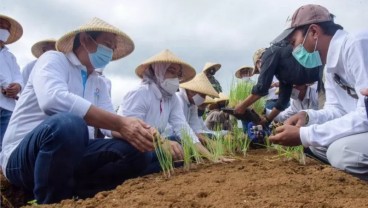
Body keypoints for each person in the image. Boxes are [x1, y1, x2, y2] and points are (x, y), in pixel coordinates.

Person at [1, 17, 155, 204]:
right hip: (24, 157)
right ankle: (51, 201)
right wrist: (121, 124)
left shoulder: (98, 82)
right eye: (107, 44)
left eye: (112, 48)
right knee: (70, 124)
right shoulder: (53, 59)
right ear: (85, 40)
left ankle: (81, 195)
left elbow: (111, 124)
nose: (110, 51)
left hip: (71, 156)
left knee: (137, 150)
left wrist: (138, 129)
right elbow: (52, 99)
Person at [269, 4, 368, 180]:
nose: (294, 51)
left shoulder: (357, 45)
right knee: (318, 146)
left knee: (342, 153)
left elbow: (365, 114)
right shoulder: (329, 68)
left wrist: (304, 134)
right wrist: (307, 117)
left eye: (294, 43)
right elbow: (337, 110)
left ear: (314, 32)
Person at [118, 50, 231, 175]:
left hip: (154, 146)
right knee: (146, 156)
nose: (175, 79)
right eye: (171, 71)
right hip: (132, 145)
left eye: (178, 75)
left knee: (180, 153)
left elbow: (183, 128)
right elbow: (133, 130)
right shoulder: (140, 93)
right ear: (157, 71)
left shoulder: (172, 99)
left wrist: (211, 156)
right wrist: (162, 142)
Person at [234, 42, 320, 126]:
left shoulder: (268, 55)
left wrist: (242, 106)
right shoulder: (285, 76)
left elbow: (262, 87)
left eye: (260, 70)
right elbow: (282, 102)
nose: (261, 72)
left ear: (260, 63)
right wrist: (267, 119)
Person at [0, 14, 23, 152]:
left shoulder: (10, 56)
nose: (3, 29)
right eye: (1, 26)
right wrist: (6, 85)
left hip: (8, 107)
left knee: (4, 144)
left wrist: (17, 86)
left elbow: (18, 75)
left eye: (6, 28)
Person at [176, 72, 220, 143]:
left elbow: (196, 128)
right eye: (202, 95)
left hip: (187, 134)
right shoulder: (178, 100)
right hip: (172, 136)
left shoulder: (193, 106)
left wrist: (209, 142)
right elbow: (179, 129)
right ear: (192, 91)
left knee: (209, 137)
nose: (204, 98)